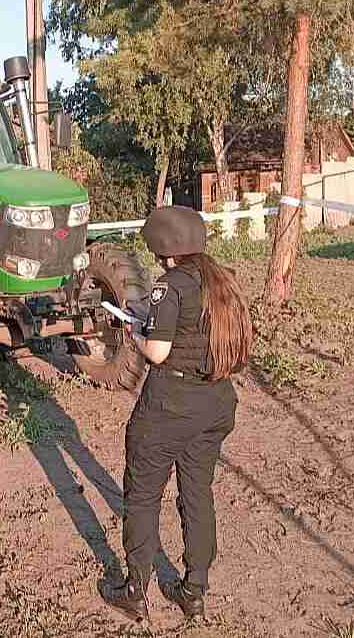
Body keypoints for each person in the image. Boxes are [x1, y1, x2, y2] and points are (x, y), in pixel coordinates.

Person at [100, 205, 254, 624]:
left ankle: (134, 590)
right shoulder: (222, 280)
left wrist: (134, 332)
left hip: (171, 403)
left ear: (162, 248)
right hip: (216, 401)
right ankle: (194, 590)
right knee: (197, 493)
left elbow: (158, 352)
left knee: (143, 494)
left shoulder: (168, 286)